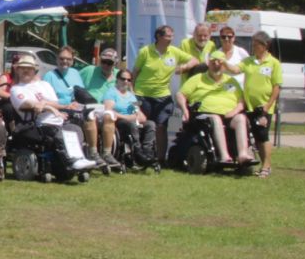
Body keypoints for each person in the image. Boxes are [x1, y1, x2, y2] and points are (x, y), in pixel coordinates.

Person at [8, 54, 96, 172]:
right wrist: (49, 107)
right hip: (36, 124)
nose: (26, 71)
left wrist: (51, 104)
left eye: (29, 68)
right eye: (23, 68)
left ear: (34, 70)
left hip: (57, 120)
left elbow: (54, 102)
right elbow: (27, 104)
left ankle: (79, 158)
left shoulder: (44, 85)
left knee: (75, 129)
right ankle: (72, 161)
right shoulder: (16, 89)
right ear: (17, 70)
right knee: (60, 133)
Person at [133, 25, 200, 162]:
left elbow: (195, 60)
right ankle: (142, 156)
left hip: (163, 95)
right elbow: (135, 72)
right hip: (143, 94)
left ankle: (161, 159)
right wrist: (132, 93)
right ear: (158, 37)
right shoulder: (145, 51)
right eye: (168, 36)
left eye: (172, 36)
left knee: (162, 126)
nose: (171, 39)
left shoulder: (174, 51)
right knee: (145, 126)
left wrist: (184, 67)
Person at [176, 51, 251, 165]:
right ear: (208, 64)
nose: (216, 65)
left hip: (229, 115)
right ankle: (224, 156)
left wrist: (234, 111)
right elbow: (180, 94)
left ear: (224, 65)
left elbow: (241, 102)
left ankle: (243, 155)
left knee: (241, 118)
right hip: (205, 115)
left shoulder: (231, 81)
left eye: (219, 62)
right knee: (216, 119)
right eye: (213, 62)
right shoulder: (198, 78)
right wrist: (184, 109)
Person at [43, 46, 102, 161]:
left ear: (73, 60)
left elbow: (80, 93)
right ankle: (92, 153)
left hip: (75, 106)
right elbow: (46, 100)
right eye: (62, 58)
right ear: (57, 59)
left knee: (99, 114)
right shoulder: (49, 76)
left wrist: (76, 102)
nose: (65, 61)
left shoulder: (75, 73)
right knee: (88, 116)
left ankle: (96, 151)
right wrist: (66, 105)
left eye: (68, 59)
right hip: (59, 108)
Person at [240, 31, 282, 178]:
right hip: (250, 105)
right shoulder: (249, 61)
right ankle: (265, 165)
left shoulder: (274, 63)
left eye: (256, 44)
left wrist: (268, 105)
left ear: (265, 46)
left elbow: (276, 86)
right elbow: (235, 69)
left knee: (263, 135)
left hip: (264, 107)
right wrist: (222, 63)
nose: (254, 47)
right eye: (253, 44)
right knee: (257, 137)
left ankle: (266, 166)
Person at [102, 68, 155, 164]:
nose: (126, 81)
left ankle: (147, 151)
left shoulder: (131, 96)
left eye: (129, 80)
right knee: (131, 125)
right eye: (123, 79)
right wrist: (128, 117)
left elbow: (141, 116)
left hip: (132, 120)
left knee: (150, 124)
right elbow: (108, 111)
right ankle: (137, 151)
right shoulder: (111, 93)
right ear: (117, 79)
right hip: (118, 122)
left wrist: (136, 116)